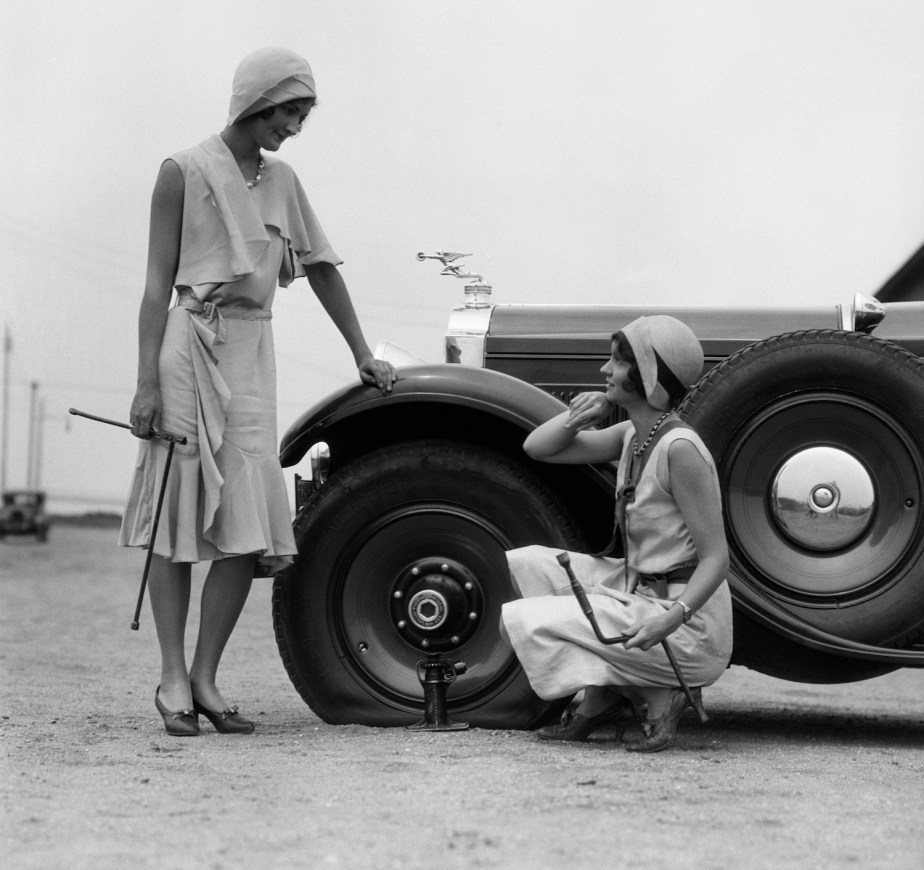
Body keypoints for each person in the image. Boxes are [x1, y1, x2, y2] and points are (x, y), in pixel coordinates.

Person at [119, 47, 397, 737]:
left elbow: (325, 268)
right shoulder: (181, 171)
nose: (293, 127)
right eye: (288, 112)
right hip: (188, 350)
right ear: (255, 102)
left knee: (246, 523)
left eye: (301, 116)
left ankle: (209, 677)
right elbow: (157, 286)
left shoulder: (284, 181)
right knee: (177, 517)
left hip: (252, 355)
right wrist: (146, 383)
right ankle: (173, 678)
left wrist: (362, 352)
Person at [499, 315, 732, 752]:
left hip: (687, 625)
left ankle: (653, 692)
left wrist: (671, 618)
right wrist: (576, 418)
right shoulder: (632, 433)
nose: (605, 370)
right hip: (639, 590)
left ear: (648, 376)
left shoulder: (680, 449)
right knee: (529, 563)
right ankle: (611, 692)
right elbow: (538, 448)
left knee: (526, 622)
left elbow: (718, 558)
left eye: (618, 361)